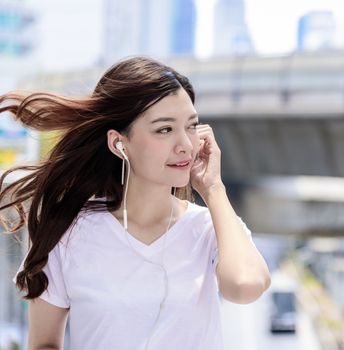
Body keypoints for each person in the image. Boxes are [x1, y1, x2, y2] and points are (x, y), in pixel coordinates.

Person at [0, 56, 271, 350]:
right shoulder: (69, 232)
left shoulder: (210, 229)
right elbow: (43, 344)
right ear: (119, 143)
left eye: (191, 127)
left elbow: (246, 286)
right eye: (164, 129)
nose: (185, 145)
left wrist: (213, 188)